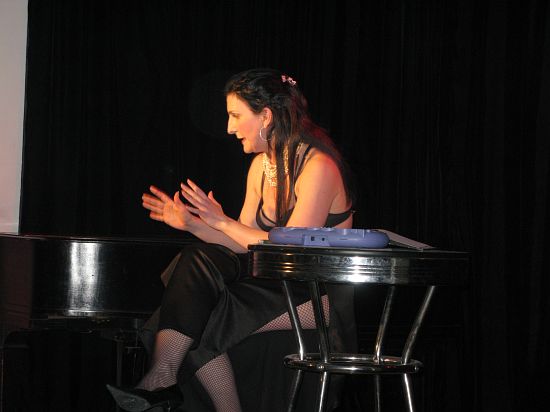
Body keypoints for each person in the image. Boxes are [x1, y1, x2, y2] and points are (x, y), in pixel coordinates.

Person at [107, 68, 355, 412]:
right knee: (195, 269)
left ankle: (162, 380)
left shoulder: (318, 167)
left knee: (198, 315)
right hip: (276, 286)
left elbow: (293, 247)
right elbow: (242, 243)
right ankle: (162, 377)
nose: (228, 127)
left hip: (319, 295)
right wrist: (192, 224)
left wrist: (221, 221)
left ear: (265, 116)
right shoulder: (261, 167)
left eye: (236, 115)